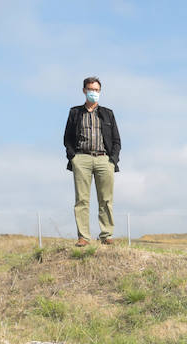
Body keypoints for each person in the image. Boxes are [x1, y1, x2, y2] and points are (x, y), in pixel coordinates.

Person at [63, 77, 121, 247]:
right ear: (84, 90)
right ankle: (83, 237)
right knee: (82, 200)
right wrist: (73, 157)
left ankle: (106, 235)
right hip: (82, 158)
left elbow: (117, 140)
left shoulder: (108, 113)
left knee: (106, 199)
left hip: (104, 159)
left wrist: (112, 160)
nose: (93, 93)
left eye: (96, 90)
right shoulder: (75, 112)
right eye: (90, 89)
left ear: (100, 91)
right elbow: (67, 138)